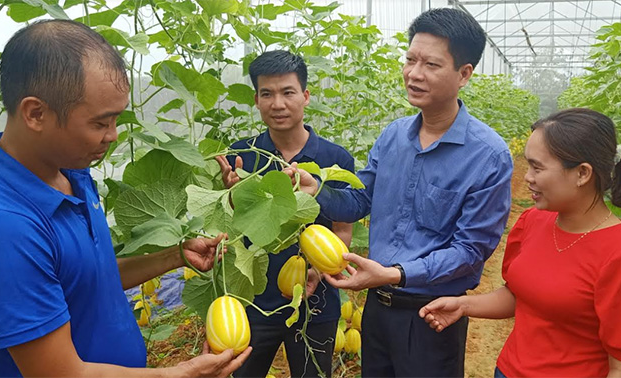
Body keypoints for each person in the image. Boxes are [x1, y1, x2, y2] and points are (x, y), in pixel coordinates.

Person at [0, 20, 250, 377]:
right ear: (36, 113)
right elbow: (61, 374)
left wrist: (174, 257)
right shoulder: (0, 229)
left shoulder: (71, 171)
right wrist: (178, 374)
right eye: (100, 123)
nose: (112, 136)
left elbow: (88, 276)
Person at [286, 8, 513, 378]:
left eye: (431, 65)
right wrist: (318, 192)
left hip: (433, 313)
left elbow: (470, 252)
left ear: (464, 74)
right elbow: (360, 200)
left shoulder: (488, 154)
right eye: (410, 59)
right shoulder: (393, 135)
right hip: (378, 308)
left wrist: (393, 273)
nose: (414, 73)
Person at [419, 108, 621, 378]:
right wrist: (463, 306)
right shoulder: (533, 221)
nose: (527, 177)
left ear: (582, 174)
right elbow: (519, 296)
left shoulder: (615, 252)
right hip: (507, 370)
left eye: (537, 167)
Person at [215, 50, 355, 378]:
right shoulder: (241, 154)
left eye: (288, 92)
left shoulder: (335, 159)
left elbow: (343, 229)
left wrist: (319, 272)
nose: (278, 104)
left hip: (316, 300)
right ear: (256, 99)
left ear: (305, 96)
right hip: (252, 298)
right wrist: (232, 197)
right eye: (267, 94)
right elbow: (234, 225)